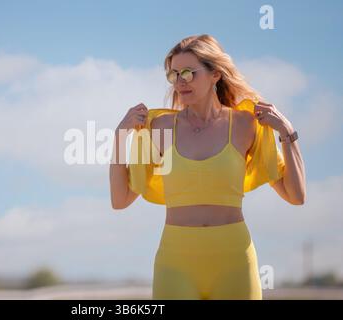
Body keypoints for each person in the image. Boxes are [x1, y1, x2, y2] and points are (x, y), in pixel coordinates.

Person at [109, 34, 306, 300]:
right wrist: (120, 136)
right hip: (175, 265)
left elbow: (296, 196)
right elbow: (120, 200)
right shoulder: (159, 128)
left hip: (235, 262)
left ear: (215, 74)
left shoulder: (246, 125)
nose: (180, 82)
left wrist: (288, 133)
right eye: (174, 75)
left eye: (189, 73)